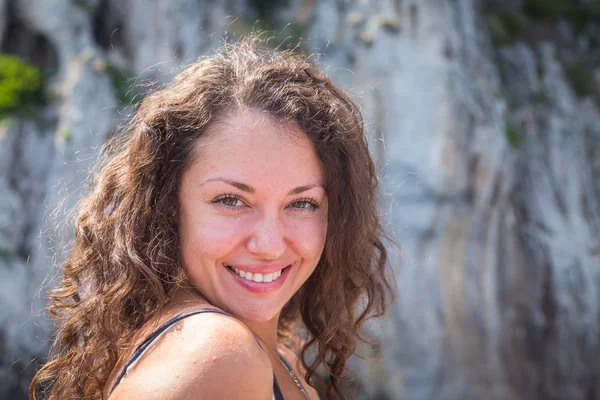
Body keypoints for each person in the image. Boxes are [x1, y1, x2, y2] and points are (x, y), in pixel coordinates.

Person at [30, 36, 396, 400]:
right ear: (169, 204)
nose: (269, 245)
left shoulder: (275, 357)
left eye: (302, 203)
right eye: (231, 200)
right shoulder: (218, 355)